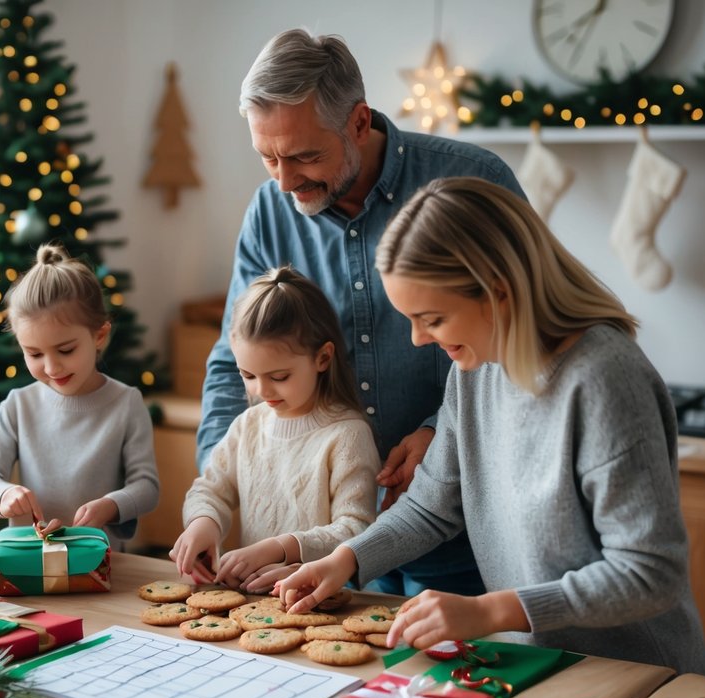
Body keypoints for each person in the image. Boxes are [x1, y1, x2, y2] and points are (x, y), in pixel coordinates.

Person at [277, 177, 705, 674]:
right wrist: (346, 559)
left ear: (497, 293)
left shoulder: (606, 379)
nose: (419, 339)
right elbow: (430, 507)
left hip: (638, 681)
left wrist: (488, 610)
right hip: (540, 666)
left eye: (432, 318)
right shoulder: (475, 371)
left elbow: (650, 573)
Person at [200, 29, 528, 596]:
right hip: (320, 548)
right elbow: (235, 363)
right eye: (267, 157)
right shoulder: (269, 213)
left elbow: (521, 346)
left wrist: (438, 432)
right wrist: (215, 494)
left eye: (304, 155)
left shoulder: (474, 183)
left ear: (358, 122)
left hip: (467, 533)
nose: (283, 180)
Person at [170, 267, 379, 591]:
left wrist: (281, 548)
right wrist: (204, 522)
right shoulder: (248, 426)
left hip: (326, 602)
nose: (261, 392)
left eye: (279, 377)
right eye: (248, 375)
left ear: (322, 358)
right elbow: (209, 489)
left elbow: (356, 530)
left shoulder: (348, 436)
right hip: (254, 600)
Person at [0, 243, 159, 551]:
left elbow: (146, 487)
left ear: (99, 335)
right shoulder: (18, 405)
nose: (52, 367)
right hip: (31, 560)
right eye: (35, 353)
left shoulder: (126, 403)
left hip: (98, 560)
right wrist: (2, 495)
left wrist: (111, 505)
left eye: (66, 350)